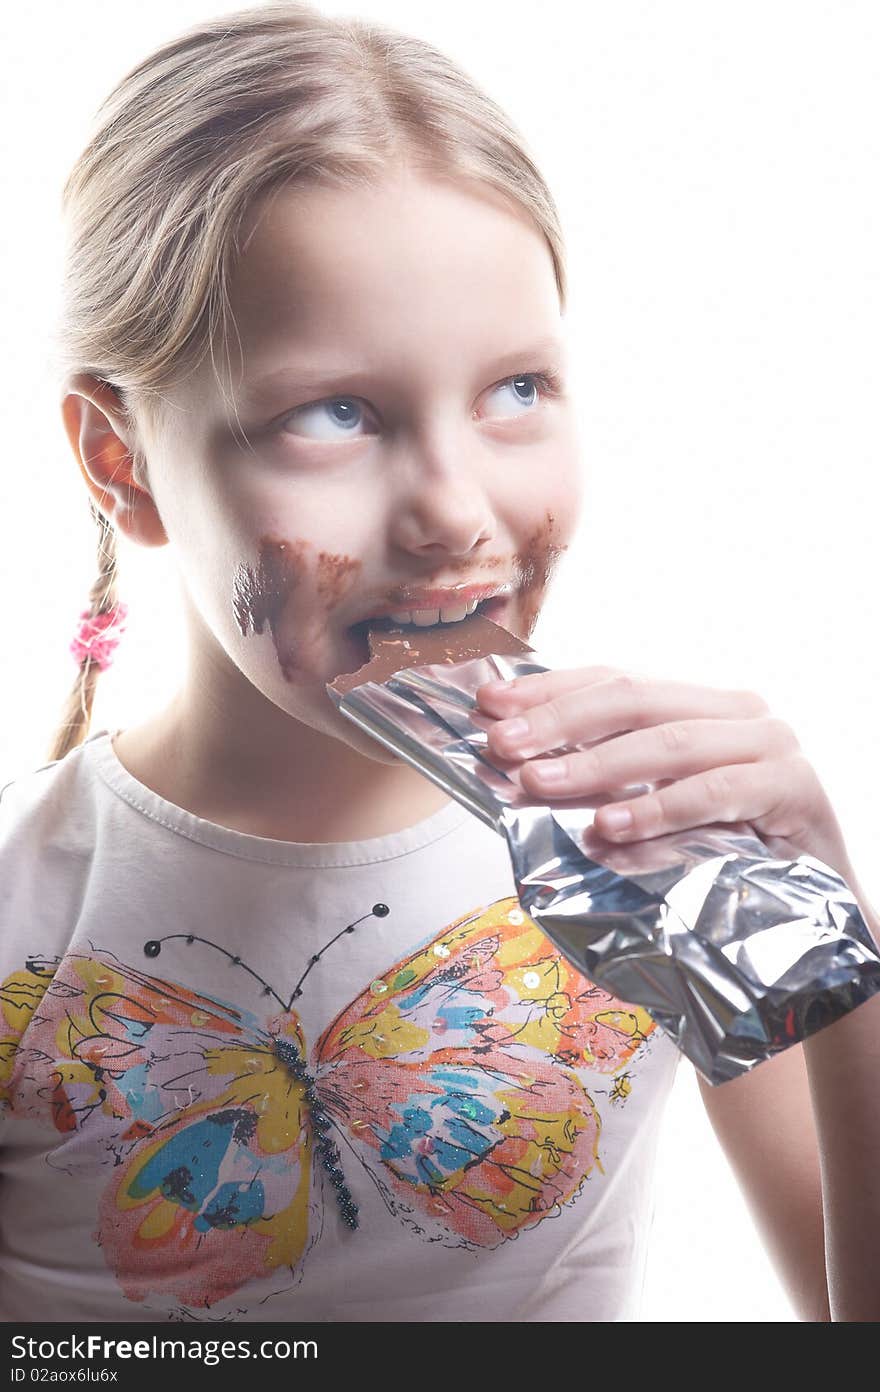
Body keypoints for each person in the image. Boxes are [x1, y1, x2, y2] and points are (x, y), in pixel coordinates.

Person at [1, 2, 877, 1325]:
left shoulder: (647, 852)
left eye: (515, 388)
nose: (457, 510)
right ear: (122, 464)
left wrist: (831, 943)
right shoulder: (29, 924)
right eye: (335, 413)